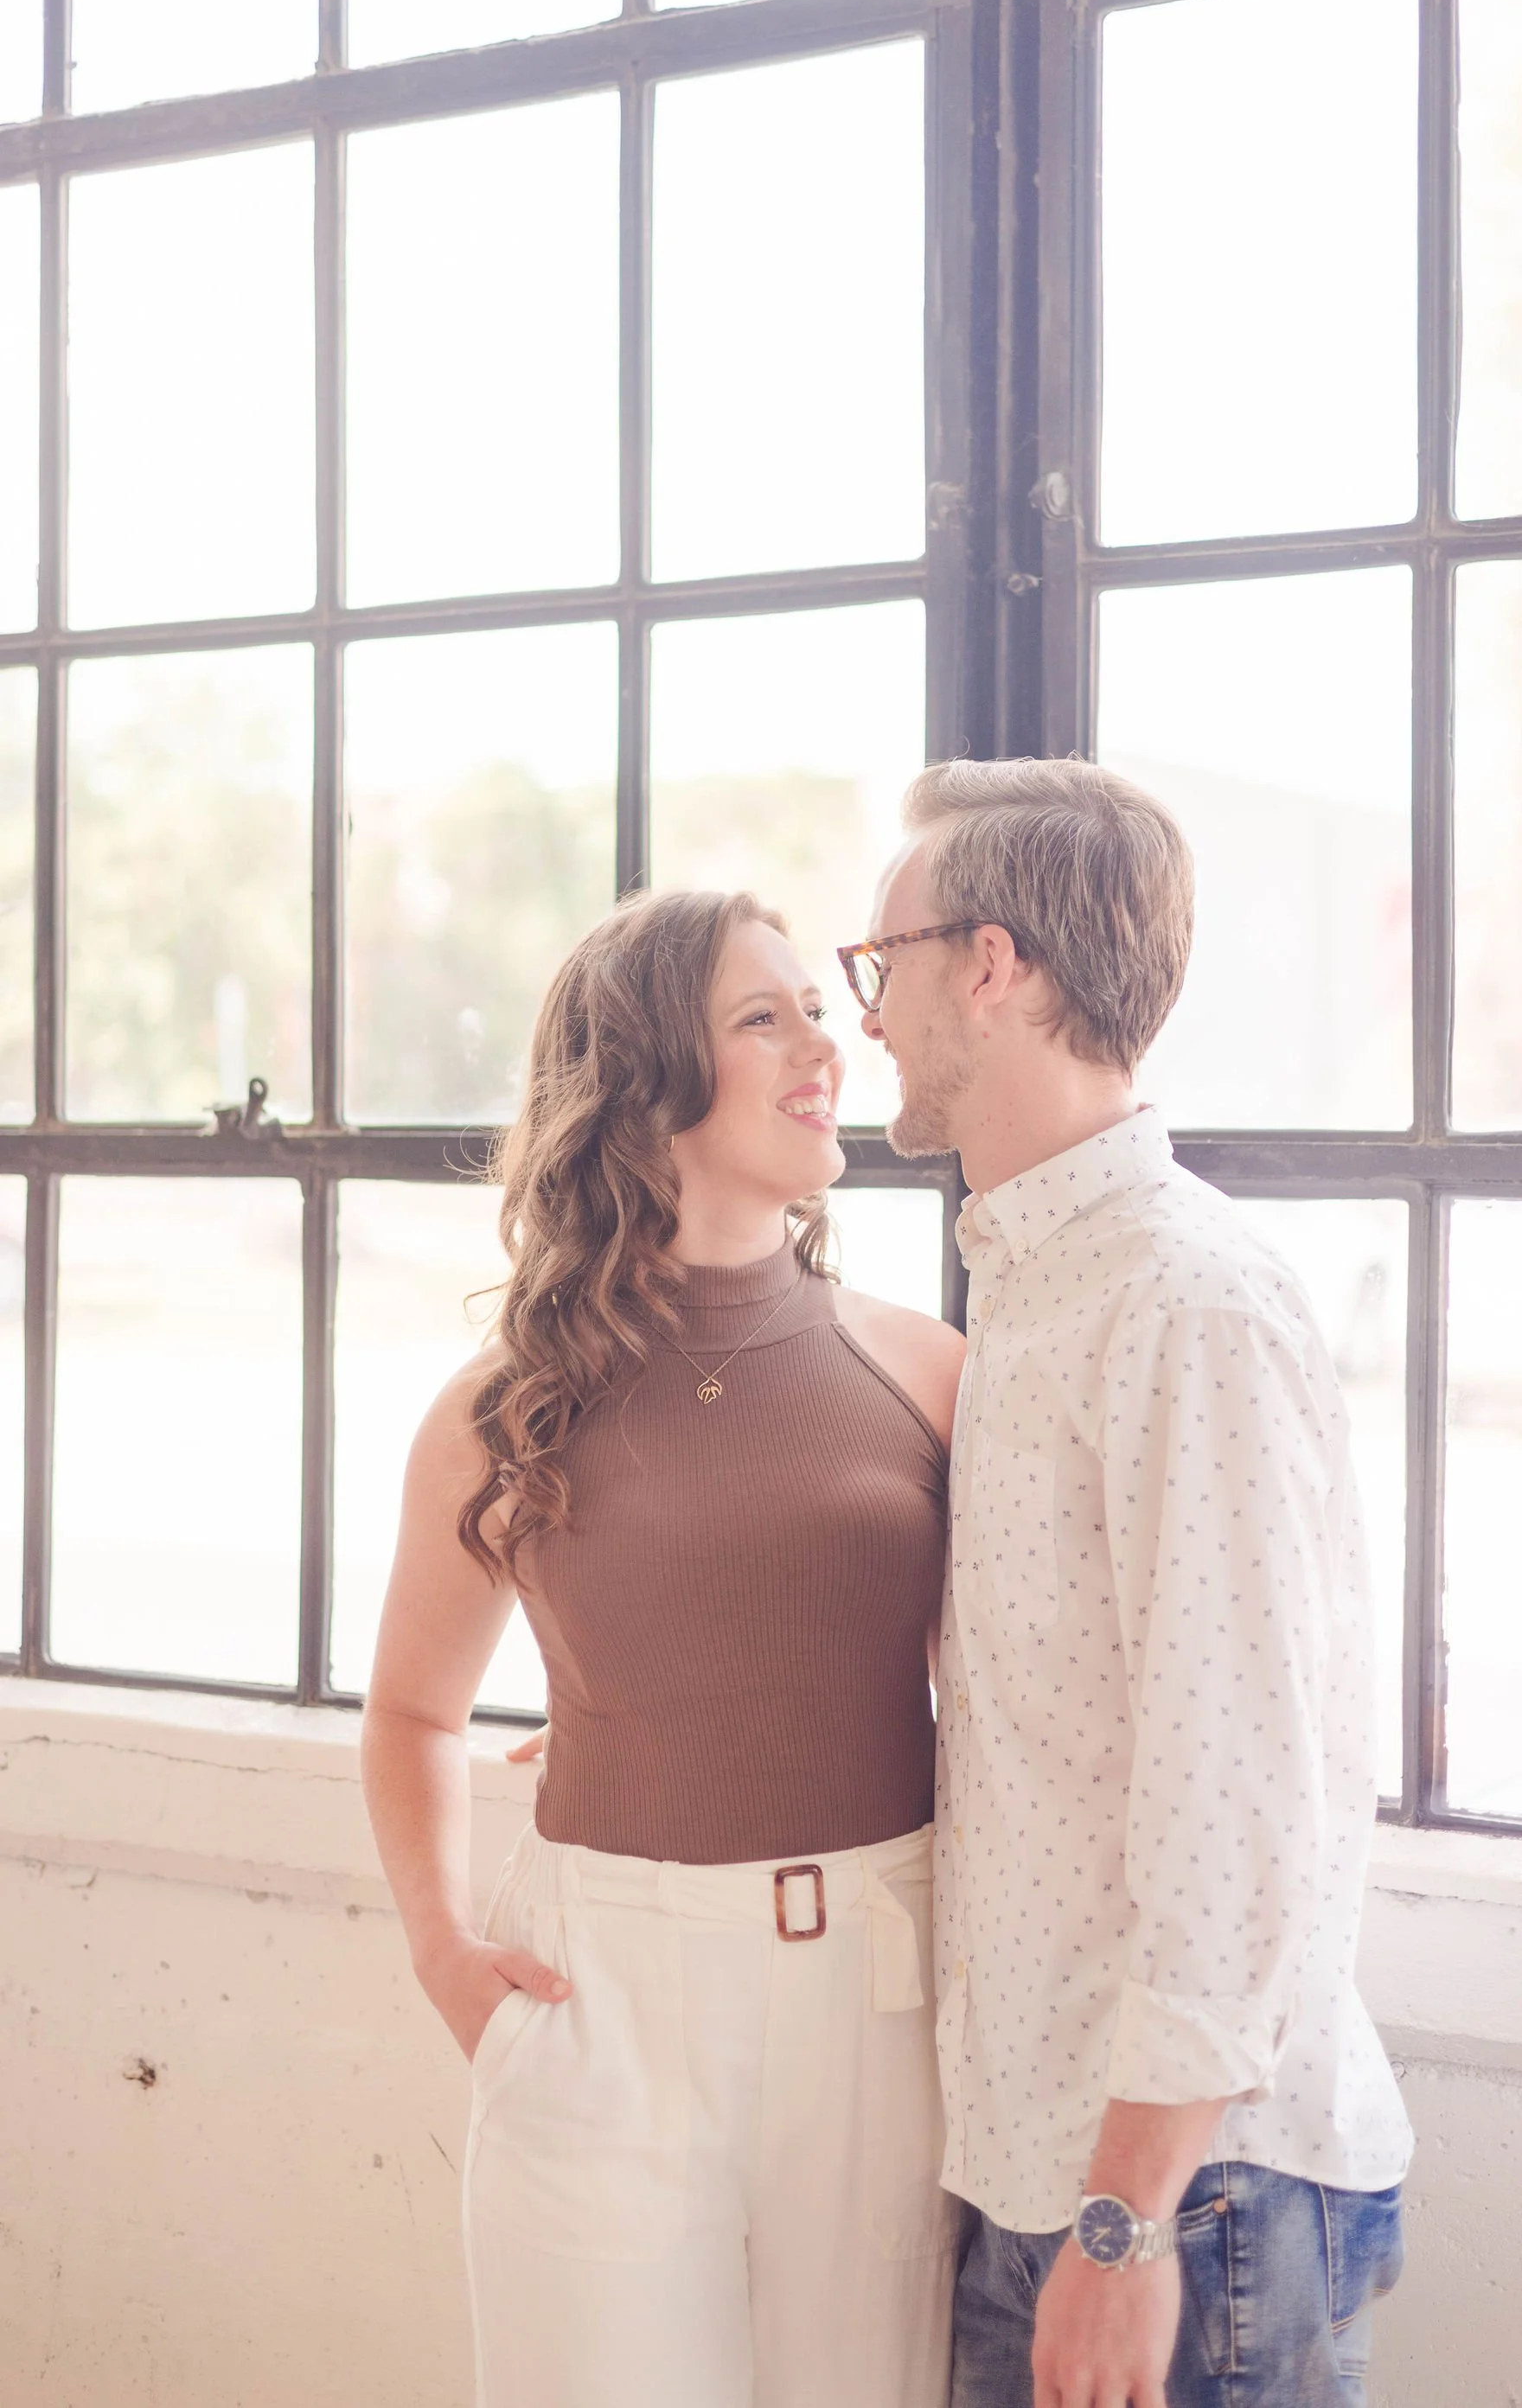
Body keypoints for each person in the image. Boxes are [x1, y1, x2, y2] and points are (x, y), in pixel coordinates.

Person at [839, 757, 1414, 2408]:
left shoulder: (1185, 1301)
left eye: (882, 966)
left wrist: (1123, 2221)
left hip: (1180, 2201)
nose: (865, 1017)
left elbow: (1240, 1805)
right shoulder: (1030, 1286)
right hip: (1049, 2168)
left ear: (993, 964)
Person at [361, 888, 966, 2408]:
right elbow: (415, 1712)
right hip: (596, 1999)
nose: (823, 1044)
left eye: (816, 1009)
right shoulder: (508, 1404)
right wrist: (445, 1956)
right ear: (642, 1082)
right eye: (763, 1017)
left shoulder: (927, 1370)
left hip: (876, 2002)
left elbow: (1029, 1701)